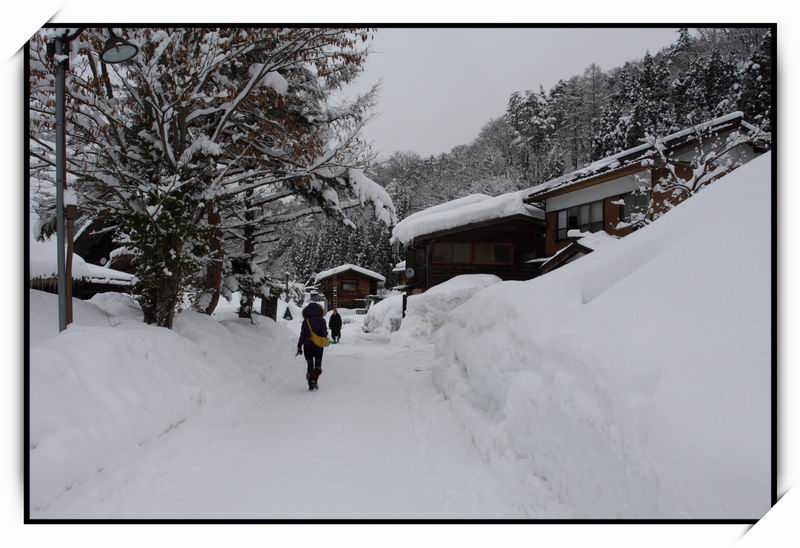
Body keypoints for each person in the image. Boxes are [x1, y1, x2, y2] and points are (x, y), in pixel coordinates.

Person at [296, 302, 328, 390]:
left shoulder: (305, 321)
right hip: (318, 346)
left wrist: (299, 346)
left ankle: (310, 384)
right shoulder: (322, 320)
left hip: (307, 345)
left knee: (310, 364)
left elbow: (302, 334)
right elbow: (324, 333)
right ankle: (314, 380)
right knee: (318, 366)